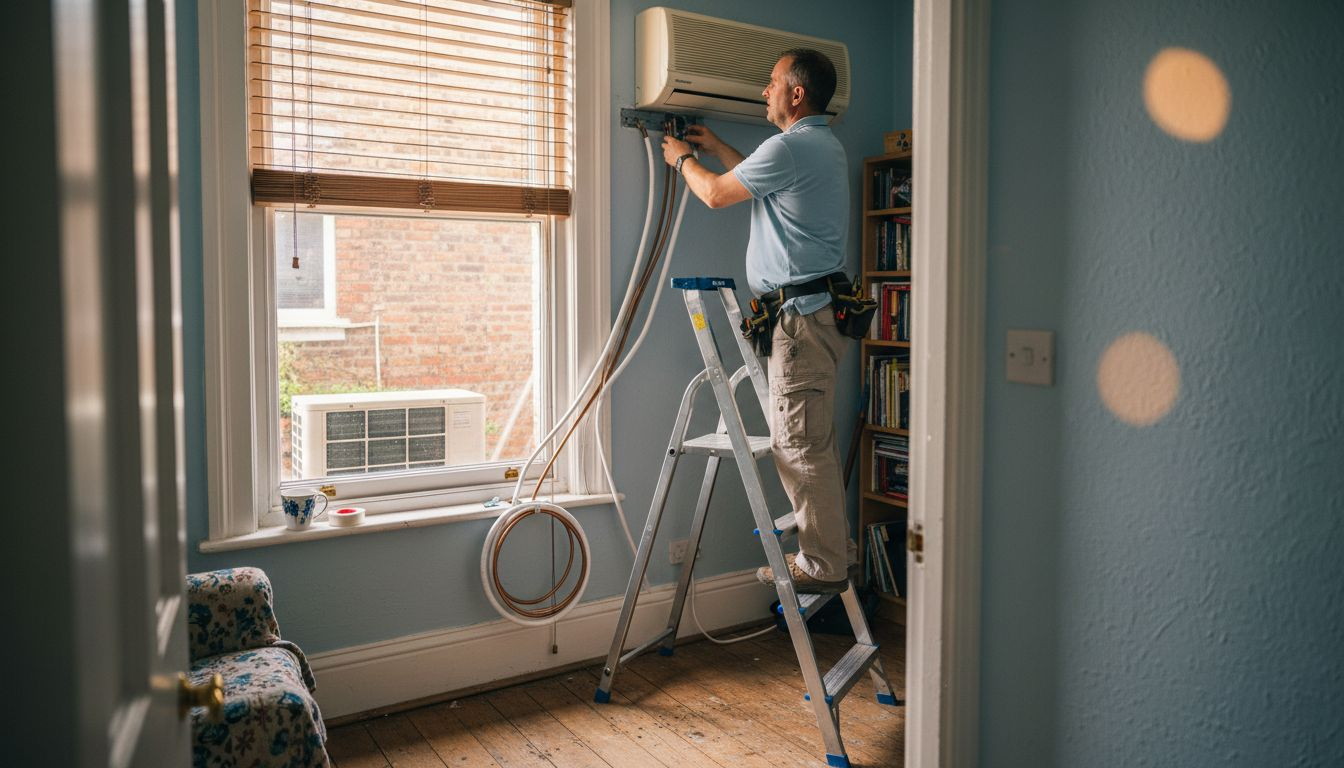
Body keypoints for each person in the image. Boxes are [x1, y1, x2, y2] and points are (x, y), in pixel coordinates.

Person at [661, 48, 854, 594]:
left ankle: (822, 566)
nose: (763, 92)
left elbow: (718, 195)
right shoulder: (818, 147)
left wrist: (680, 159)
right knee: (811, 439)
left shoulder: (793, 148)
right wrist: (718, 147)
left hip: (800, 322)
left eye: (771, 84)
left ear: (796, 94)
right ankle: (833, 551)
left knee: (799, 445)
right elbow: (761, 180)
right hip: (812, 316)